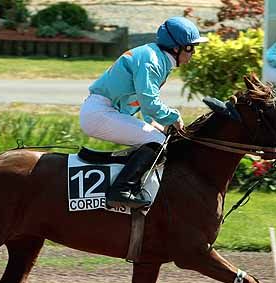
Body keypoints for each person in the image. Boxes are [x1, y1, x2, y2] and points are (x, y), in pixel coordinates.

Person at [79, 17, 207, 209]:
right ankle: (121, 190)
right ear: (176, 47)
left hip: (104, 111)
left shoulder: (156, 57)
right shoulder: (152, 61)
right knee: (155, 141)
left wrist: (154, 123)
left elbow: (141, 101)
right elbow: (148, 102)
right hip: (100, 113)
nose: (194, 53)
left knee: (156, 137)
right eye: (191, 47)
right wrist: (174, 117)